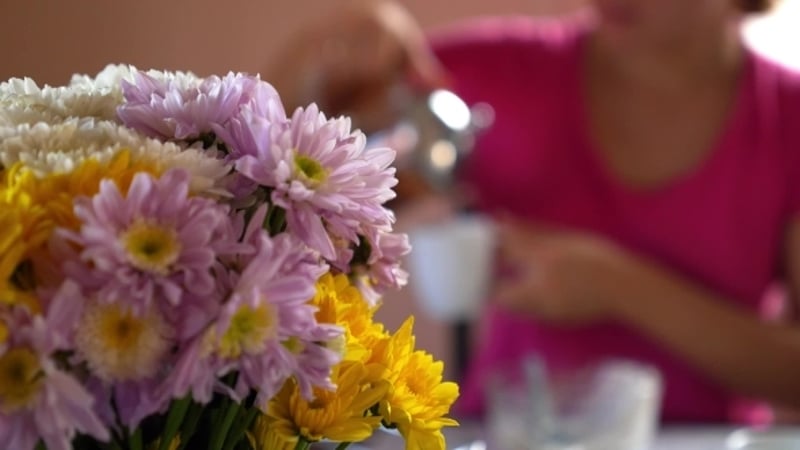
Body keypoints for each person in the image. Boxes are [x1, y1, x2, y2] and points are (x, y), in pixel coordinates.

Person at [267, 0, 800, 423]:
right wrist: (319, 51)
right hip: (508, 432)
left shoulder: (787, 119)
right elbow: (282, 171)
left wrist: (616, 285)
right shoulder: (496, 75)